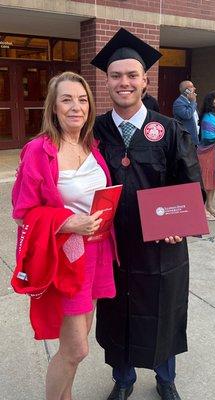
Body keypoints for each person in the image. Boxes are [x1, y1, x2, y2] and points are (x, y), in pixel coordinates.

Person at [91, 28, 204, 400]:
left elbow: (189, 185)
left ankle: (165, 377)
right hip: (113, 246)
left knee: (164, 311)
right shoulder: (95, 130)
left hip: (161, 247)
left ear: (144, 80)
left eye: (131, 75)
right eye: (116, 75)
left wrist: (180, 224)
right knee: (116, 312)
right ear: (106, 81)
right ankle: (123, 381)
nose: (123, 82)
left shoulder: (169, 130)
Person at [11, 71, 117, 400]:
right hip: (67, 255)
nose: (76, 106)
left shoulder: (91, 146)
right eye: (67, 99)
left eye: (82, 99)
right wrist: (70, 223)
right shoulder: (39, 150)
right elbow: (22, 211)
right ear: (53, 108)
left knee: (78, 342)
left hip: (97, 253)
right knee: (76, 350)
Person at [197, 90, 215, 221]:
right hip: (207, 153)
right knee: (205, 181)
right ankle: (201, 208)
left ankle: (210, 206)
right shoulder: (207, 117)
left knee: (212, 180)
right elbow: (208, 136)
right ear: (212, 102)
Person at [173, 80, 199, 145]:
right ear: (186, 90)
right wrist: (193, 102)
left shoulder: (190, 101)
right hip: (186, 139)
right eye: (192, 87)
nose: (194, 88)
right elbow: (187, 115)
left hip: (194, 138)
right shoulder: (178, 102)